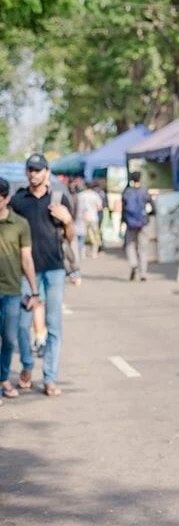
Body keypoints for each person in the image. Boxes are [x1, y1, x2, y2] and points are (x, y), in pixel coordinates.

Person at [10, 153, 75, 397]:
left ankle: (49, 378)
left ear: (47, 172)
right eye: (30, 169)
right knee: (21, 324)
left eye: (38, 169)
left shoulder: (58, 198)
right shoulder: (18, 200)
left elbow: (69, 237)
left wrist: (67, 221)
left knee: (53, 325)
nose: (33, 173)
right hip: (26, 272)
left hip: (55, 268)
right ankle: (27, 365)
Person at [0, 177, 40, 401]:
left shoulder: (20, 224)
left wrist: (34, 291)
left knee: (8, 339)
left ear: (6, 198)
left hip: (12, 291)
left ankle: (4, 378)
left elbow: (26, 259)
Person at [121, 171, 153, 281]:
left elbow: (123, 209)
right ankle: (143, 273)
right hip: (143, 222)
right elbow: (153, 206)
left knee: (130, 245)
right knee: (143, 248)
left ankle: (133, 263)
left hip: (130, 224)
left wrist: (123, 221)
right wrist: (149, 215)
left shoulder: (127, 192)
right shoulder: (144, 191)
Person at [75, 180, 104, 259]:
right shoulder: (95, 195)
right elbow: (99, 207)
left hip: (82, 218)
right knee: (95, 236)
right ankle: (94, 253)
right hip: (93, 217)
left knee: (83, 237)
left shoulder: (80, 195)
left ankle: (82, 254)